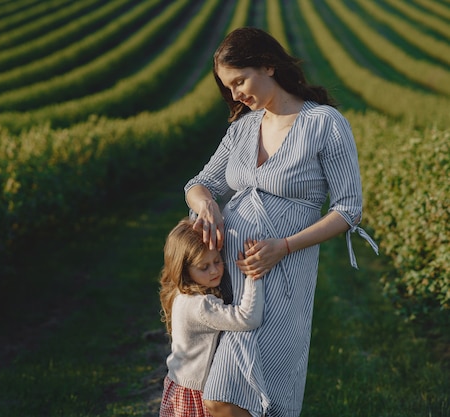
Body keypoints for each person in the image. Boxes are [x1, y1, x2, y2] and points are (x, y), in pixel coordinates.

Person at [184, 27, 378, 417]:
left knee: (228, 398)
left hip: (284, 273)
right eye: (229, 87)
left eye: (240, 81)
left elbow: (348, 209)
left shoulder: (323, 123)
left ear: (268, 66)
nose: (236, 94)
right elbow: (199, 183)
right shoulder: (241, 129)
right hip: (230, 279)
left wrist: (283, 247)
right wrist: (206, 204)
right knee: (225, 397)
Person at [159, 217, 265, 417]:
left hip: (179, 383)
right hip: (194, 392)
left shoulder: (181, 293)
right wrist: (253, 276)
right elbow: (247, 318)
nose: (214, 270)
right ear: (185, 270)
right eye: (204, 267)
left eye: (217, 261)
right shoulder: (200, 305)